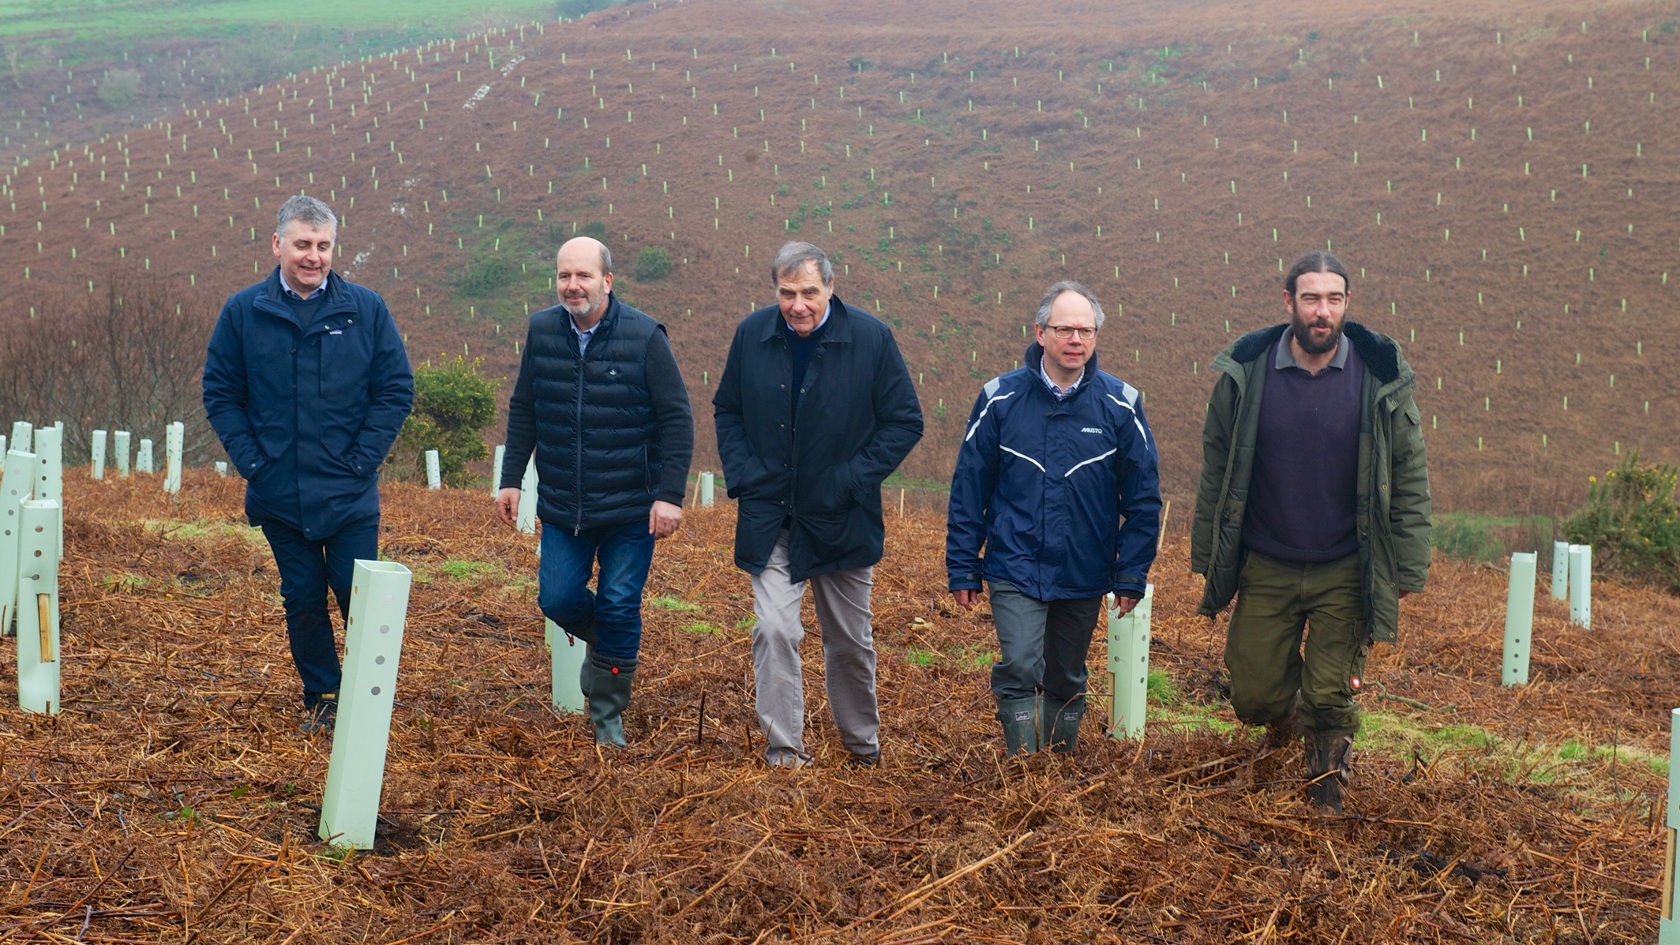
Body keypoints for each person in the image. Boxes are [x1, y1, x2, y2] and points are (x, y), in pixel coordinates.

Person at [1191, 250, 1431, 814]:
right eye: (1311, 298)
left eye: (1334, 299)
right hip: (1267, 560)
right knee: (1252, 693)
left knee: (1330, 693)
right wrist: (1208, 552)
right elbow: (1216, 468)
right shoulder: (1246, 376)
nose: (1322, 311)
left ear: (1346, 304)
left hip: (1347, 564)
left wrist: (1410, 565)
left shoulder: (1379, 379)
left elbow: (1410, 474)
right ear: (1289, 303)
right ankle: (1296, 717)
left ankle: (1325, 794)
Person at [204, 194, 414, 734]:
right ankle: (322, 697)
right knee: (301, 597)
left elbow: (394, 390)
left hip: (349, 493)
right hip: (278, 493)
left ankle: (370, 698)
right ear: (277, 245)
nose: (313, 256)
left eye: (323, 245)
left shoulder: (366, 309)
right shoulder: (243, 312)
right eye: (302, 244)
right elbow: (221, 393)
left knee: (355, 594)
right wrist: (255, 463)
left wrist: (362, 461)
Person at [713, 241, 923, 768]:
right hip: (771, 517)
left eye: (809, 291)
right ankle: (785, 752)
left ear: (831, 286)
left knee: (850, 640)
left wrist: (851, 480)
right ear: (775, 292)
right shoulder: (751, 334)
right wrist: (745, 475)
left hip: (842, 519)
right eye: (787, 293)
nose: (798, 304)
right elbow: (728, 410)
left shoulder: (871, 339)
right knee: (775, 629)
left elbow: (904, 421)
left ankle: (862, 746)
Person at [946, 281, 1161, 756]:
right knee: (1021, 664)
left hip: (1084, 569)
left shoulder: (1122, 404)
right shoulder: (999, 398)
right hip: (1014, 563)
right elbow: (969, 486)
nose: (1076, 339)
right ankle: (1024, 769)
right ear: (1040, 332)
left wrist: (1131, 573)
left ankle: (1058, 771)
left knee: (1065, 673)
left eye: (1086, 330)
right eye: (1065, 329)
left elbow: (1144, 499)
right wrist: (963, 564)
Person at [495, 237, 693, 749]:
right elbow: (524, 408)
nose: (572, 286)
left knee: (620, 603)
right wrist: (511, 478)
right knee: (557, 598)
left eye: (583, 276)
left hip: (632, 506)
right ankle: (611, 649)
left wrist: (670, 495)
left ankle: (607, 716)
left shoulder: (646, 337)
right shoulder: (542, 330)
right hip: (565, 504)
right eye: (564, 276)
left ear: (608, 280)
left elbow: (677, 419)